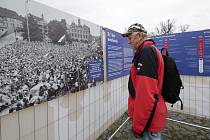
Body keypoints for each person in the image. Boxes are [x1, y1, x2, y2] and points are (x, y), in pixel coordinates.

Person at [122, 23, 167, 140]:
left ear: (139, 35)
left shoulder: (147, 52)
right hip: (150, 118)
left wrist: (138, 127)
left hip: (148, 122)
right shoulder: (148, 50)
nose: (129, 41)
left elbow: (146, 95)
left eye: (130, 37)